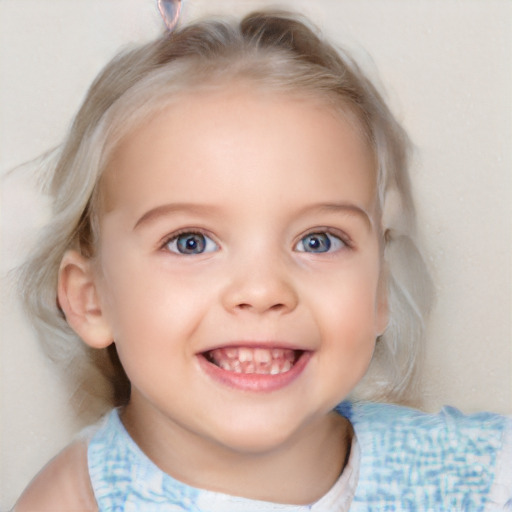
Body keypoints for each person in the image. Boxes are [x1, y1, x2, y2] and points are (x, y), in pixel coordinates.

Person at [12, 7, 511, 511]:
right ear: (90, 299)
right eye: (191, 242)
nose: (263, 290)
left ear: (378, 287)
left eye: (318, 240)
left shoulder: (478, 474)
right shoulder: (74, 501)